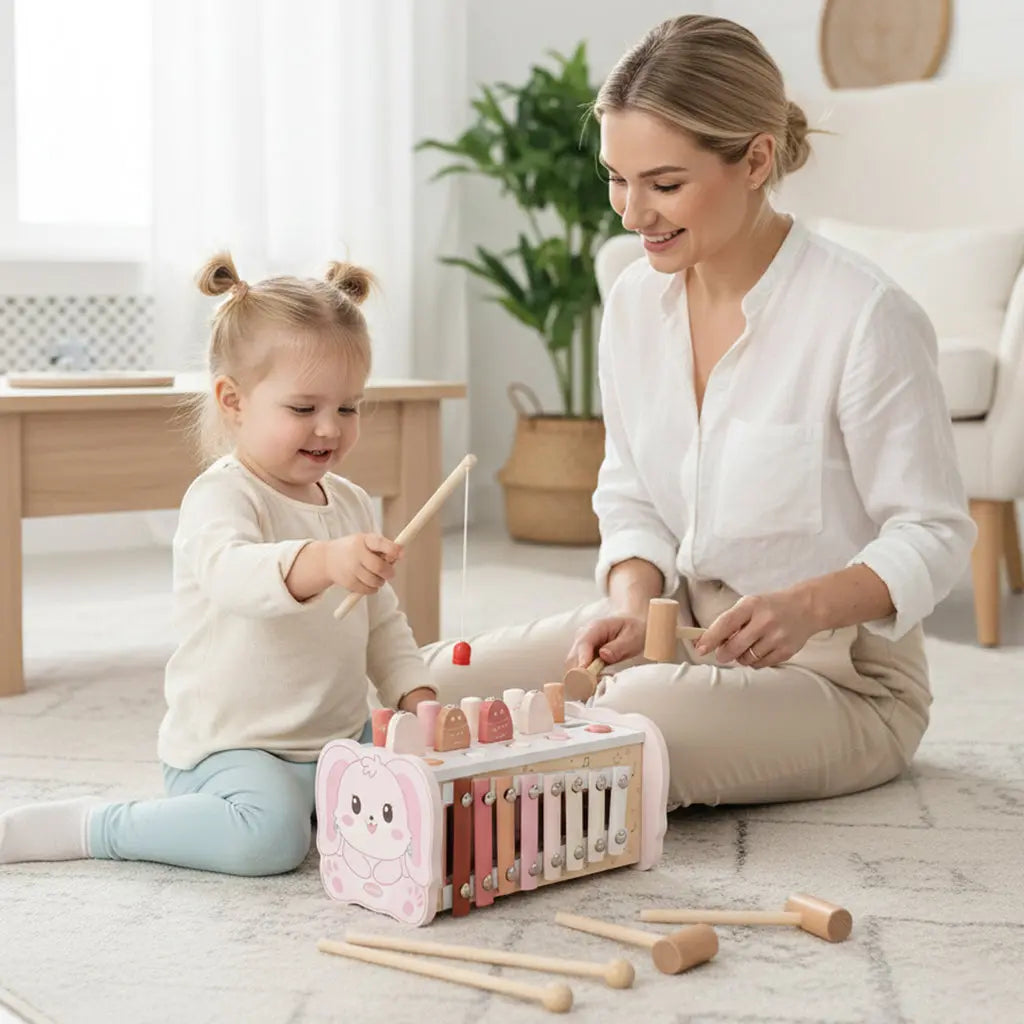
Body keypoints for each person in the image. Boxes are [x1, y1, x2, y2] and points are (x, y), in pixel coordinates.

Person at [422, 14, 975, 810]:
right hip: (673, 634)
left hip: (842, 680)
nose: (630, 212)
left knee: (619, 724)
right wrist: (628, 602)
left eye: (664, 184)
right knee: (430, 684)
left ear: (755, 159)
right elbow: (632, 492)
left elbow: (936, 532)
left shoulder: (864, 316)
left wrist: (806, 606)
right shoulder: (634, 303)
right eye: (617, 177)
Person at [0, 254, 437, 874]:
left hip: (336, 738)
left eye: (348, 408)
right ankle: (97, 826)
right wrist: (324, 560)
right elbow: (236, 578)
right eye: (303, 408)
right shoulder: (221, 496)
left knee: (426, 792)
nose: (329, 429)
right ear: (234, 401)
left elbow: (383, 622)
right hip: (232, 747)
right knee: (270, 841)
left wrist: (415, 694)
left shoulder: (350, 502)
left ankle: (323, 795)